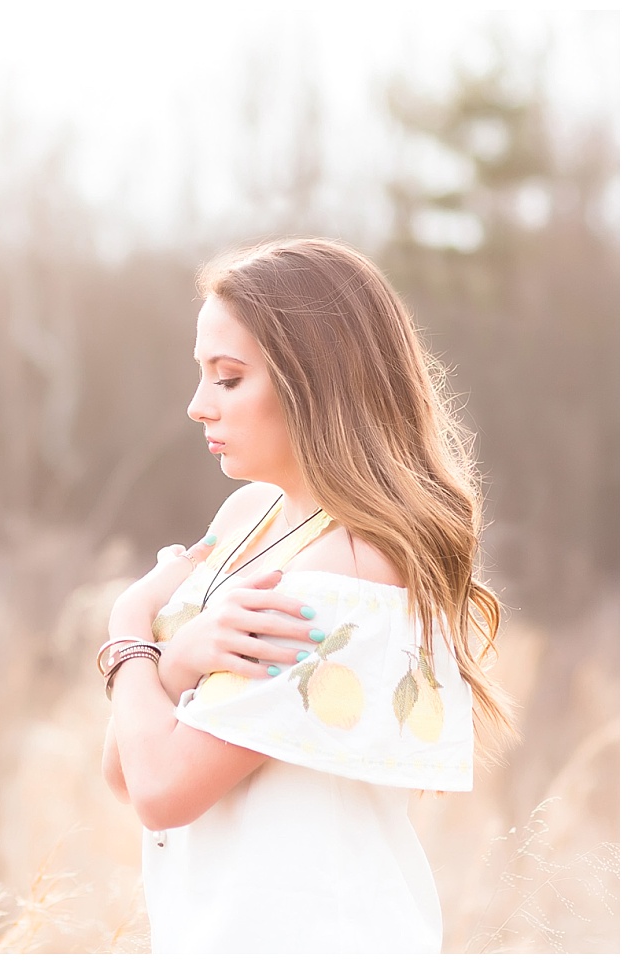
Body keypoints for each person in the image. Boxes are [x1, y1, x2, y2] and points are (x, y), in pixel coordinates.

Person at [98, 238, 516, 953]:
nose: (198, 406)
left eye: (228, 379)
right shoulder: (249, 519)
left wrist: (128, 619)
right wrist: (168, 663)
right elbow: (123, 771)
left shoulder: (351, 567)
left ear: (314, 384)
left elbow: (162, 792)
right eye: (202, 375)